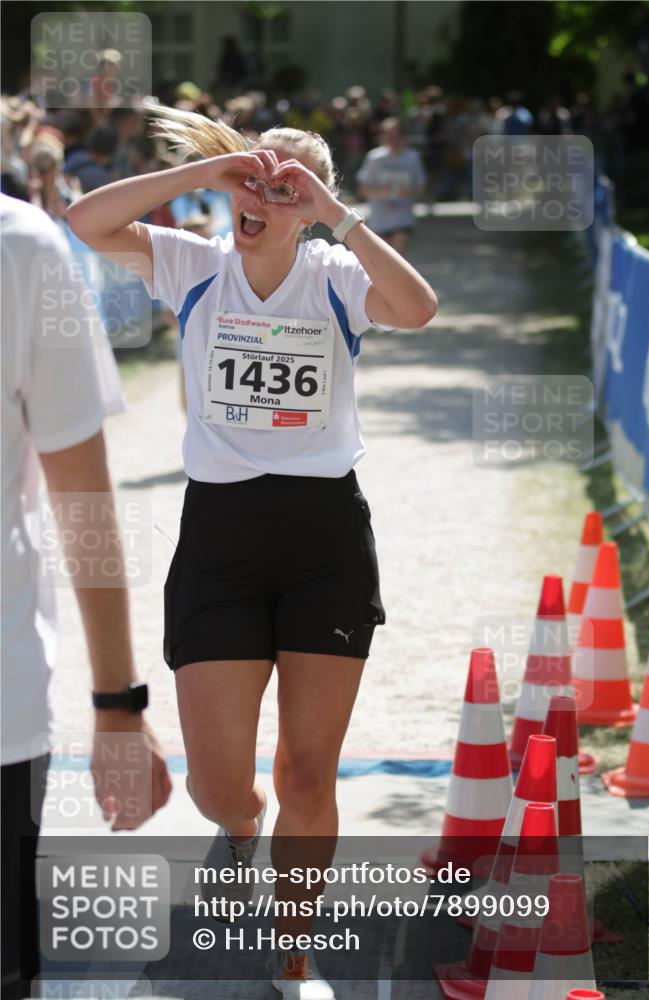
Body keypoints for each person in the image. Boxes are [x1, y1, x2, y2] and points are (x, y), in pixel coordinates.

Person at [66, 105, 437, 999]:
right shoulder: (194, 265)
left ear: (309, 207)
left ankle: (296, 958)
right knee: (222, 786)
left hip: (324, 541)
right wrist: (202, 175)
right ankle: (240, 825)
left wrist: (337, 215)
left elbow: (420, 310)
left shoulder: (339, 276)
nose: (260, 199)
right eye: (253, 183)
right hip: (222, 541)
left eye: (284, 190)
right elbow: (85, 223)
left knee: (310, 770)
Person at [1, 193, 172, 999]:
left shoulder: (23, 246)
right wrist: (117, 706)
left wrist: (118, 703)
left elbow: (85, 504)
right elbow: (85, 504)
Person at [356, 117, 427, 256]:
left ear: (402, 136)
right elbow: (363, 189)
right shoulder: (374, 158)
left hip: (402, 218)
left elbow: (421, 189)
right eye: (387, 135)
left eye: (395, 135)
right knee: (382, 262)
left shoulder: (413, 158)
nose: (391, 139)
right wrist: (384, 192)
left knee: (397, 257)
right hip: (379, 220)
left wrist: (409, 192)